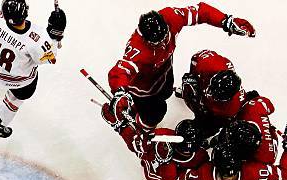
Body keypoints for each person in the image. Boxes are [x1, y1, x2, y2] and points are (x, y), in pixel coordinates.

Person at [107, 3, 255, 131]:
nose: (164, 43)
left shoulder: (171, 16)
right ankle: (141, 128)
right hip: (143, 91)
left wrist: (225, 21)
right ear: (146, 39)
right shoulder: (138, 50)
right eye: (157, 43)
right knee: (156, 112)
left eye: (165, 36)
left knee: (166, 92)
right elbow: (119, 71)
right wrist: (120, 91)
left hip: (164, 74)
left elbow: (200, 11)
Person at [0, 0, 66, 138]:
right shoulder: (38, 39)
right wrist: (55, 35)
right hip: (16, 81)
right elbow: (50, 59)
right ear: (26, 11)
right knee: (20, 94)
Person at [103, 109, 208, 180]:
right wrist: (123, 128)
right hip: (155, 170)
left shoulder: (164, 135)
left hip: (164, 173)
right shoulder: (162, 137)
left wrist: (123, 128)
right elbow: (137, 146)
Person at [180, 49, 246, 135]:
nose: (209, 94)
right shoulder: (208, 63)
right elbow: (195, 59)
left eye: (216, 96)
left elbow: (220, 121)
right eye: (211, 90)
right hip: (205, 79)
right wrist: (192, 76)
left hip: (220, 112)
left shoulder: (232, 108)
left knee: (208, 125)